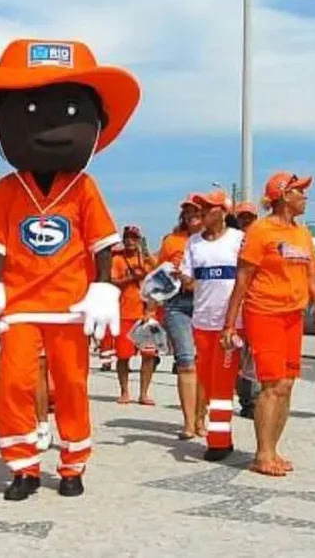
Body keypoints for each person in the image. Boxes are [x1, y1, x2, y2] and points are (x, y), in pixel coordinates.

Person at [0, 38, 139, 500]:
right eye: (31, 107)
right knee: (13, 384)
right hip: (20, 304)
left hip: (70, 306)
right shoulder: (7, 188)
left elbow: (101, 242)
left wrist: (103, 288)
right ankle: (23, 466)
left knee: (72, 385)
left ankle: (73, 463)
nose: (50, 122)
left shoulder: (83, 186)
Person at [222, 172, 315, 477]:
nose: (305, 196)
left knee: (287, 385)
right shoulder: (261, 231)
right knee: (272, 384)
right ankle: (261, 454)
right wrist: (229, 325)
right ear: (283, 195)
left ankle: (273, 449)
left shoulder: (302, 234)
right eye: (300, 191)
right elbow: (243, 279)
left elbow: (312, 278)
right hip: (264, 313)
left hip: (293, 315)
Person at [181, 189, 244, 461]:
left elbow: (248, 277)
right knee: (207, 381)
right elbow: (188, 279)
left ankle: (219, 441)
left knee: (222, 384)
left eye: (209, 207)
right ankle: (219, 435)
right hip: (202, 322)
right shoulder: (193, 243)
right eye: (201, 208)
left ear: (224, 212)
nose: (203, 212)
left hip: (229, 324)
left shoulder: (239, 240)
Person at [155, 196, 204, 439]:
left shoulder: (213, 241)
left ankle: (200, 418)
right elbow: (157, 276)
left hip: (206, 303)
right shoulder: (171, 241)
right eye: (186, 211)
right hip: (176, 303)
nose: (191, 215)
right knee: (186, 360)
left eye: (196, 211)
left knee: (204, 364)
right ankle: (188, 422)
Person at [109, 226, 157, 405]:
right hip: (124, 314)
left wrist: (147, 255)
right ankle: (125, 392)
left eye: (134, 238)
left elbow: (159, 275)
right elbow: (112, 281)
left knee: (149, 355)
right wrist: (130, 278)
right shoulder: (117, 260)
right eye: (128, 237)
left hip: (146, 314)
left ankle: (144, 393)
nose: (130, 241)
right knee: (123, 356)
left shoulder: (146, 258)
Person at [232, 200, 261, 418]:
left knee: (254, 354)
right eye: (242, 217)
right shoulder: (231, 242)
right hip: (235, 302)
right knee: (236, 355)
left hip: (257, 303)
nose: (246, 221)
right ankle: (243, 397)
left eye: (249, 217)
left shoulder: (261, 239)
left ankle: (251, 401)